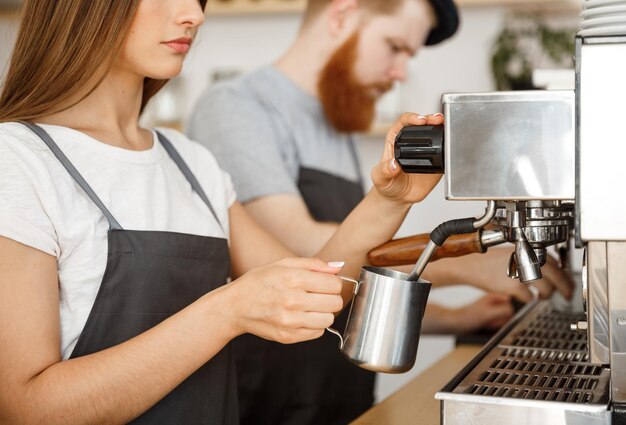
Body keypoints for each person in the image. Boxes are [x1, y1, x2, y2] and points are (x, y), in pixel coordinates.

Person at [0, 1, 452, 424]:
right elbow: (27, 408)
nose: (194, 15)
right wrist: (225, 312)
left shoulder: (190, 162)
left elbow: (323, 289)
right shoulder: (18, 159)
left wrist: (390, 198)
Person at [188, 0, 574, 424]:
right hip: (271, 399)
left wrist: (459, 318)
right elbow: (308, 255)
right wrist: (470, 261)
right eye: (395, 47)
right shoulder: (236, 107)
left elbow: (353, 289)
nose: (401, 73)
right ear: (341, 16)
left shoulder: (334, 123)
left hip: (340, 398)